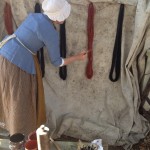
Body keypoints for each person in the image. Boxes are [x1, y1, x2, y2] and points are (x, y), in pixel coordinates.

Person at [0, 0, 87, 136]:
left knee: (6, 94)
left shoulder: (34, 17)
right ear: (60, 18)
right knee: (19, 101)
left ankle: (11, 130)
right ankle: (19, 138)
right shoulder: (51, 33)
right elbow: (57, 62)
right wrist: (78, 57)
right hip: (18, 62)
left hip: (4, 51)